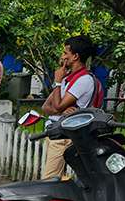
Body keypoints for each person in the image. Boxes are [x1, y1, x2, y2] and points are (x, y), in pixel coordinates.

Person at [41, 35, 98, 180]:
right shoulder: (68, 78)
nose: (62, 56)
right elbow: (46, 106)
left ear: (75, 56)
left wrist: (58, 83)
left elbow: (58, 105)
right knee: (56, 178)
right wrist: (59, 109)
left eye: (66, 53)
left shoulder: (84, 80)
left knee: (49, 180)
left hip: (63, 137)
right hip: (54, 132)